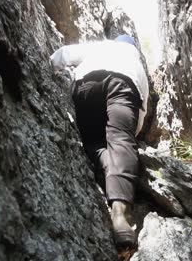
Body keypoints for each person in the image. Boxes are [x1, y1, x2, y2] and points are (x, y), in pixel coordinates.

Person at [50, 35, 149, 246]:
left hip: (87, 84)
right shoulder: (138, 65)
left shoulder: (104, 46)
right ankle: (120, 214)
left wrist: (51, 69)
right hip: (124, 85)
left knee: (93, 142)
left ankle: (107, 167)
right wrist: (128, 135)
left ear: (117, 41)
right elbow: (140, 114)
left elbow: (63, 55)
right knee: (121, 140)